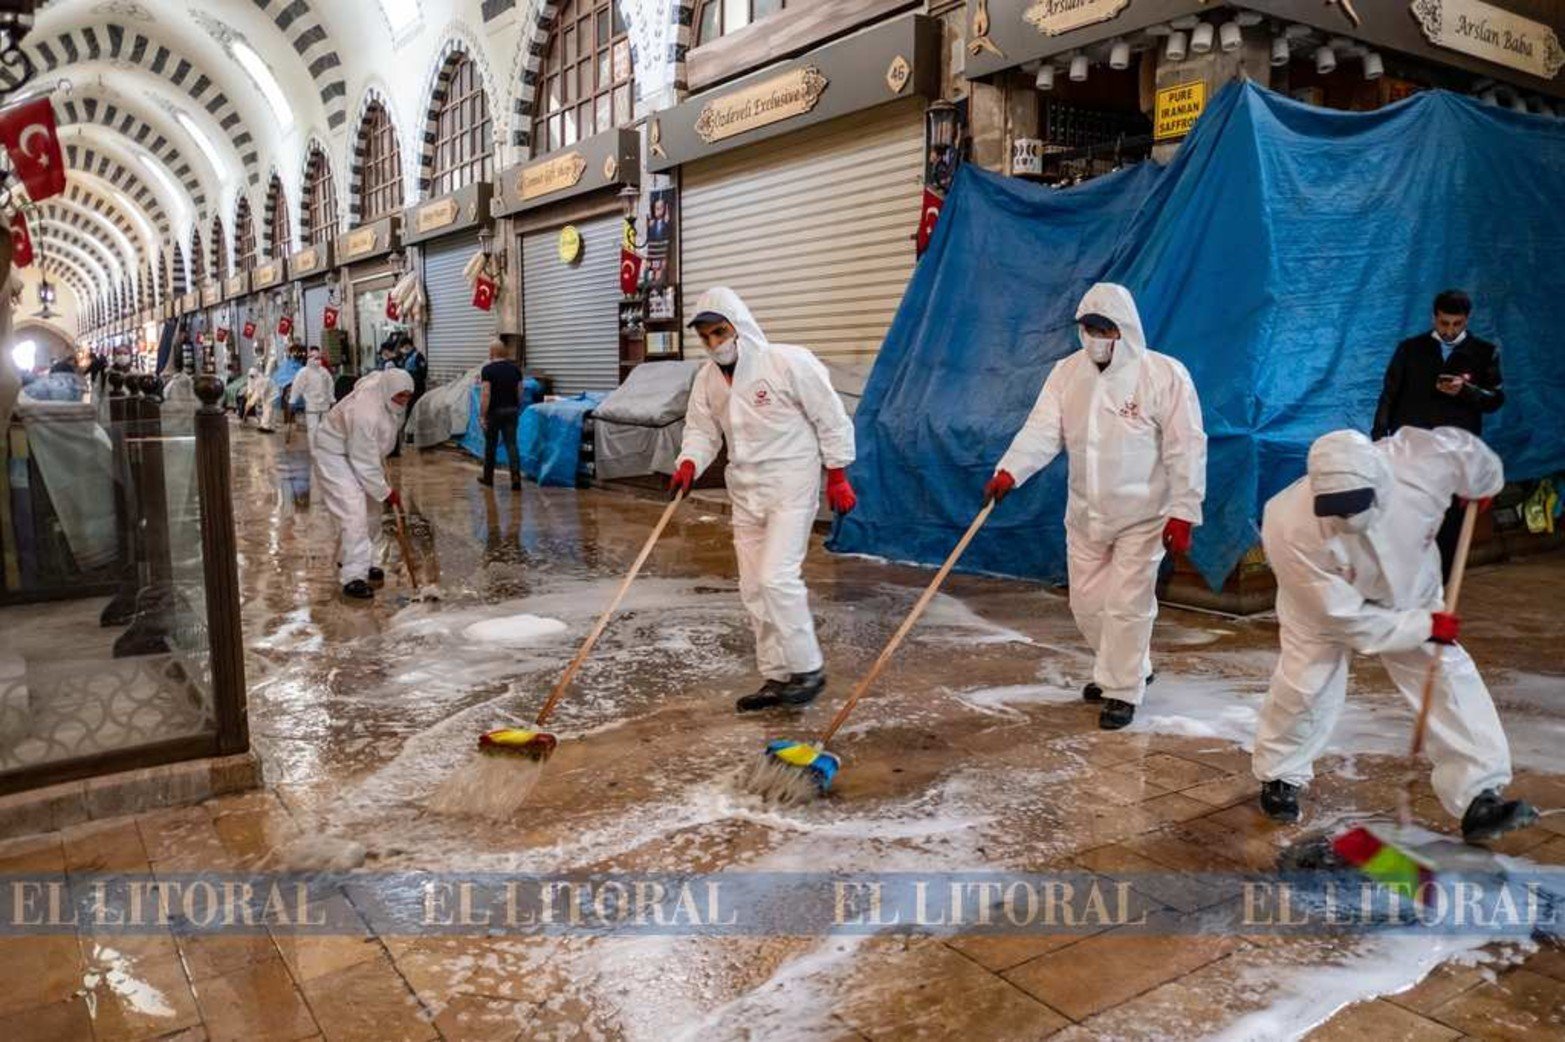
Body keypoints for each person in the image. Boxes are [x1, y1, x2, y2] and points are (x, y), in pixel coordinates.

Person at [1253, 426, 1536, 842]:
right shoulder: (1286, 521)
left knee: (1445, 678)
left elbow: (1467, 452)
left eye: (1355, 503)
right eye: (1337, 507)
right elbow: (1344, 618)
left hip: (1410, 593)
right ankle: (1280, 774)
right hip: (1323, 609)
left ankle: (1480, 794)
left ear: (1380, 476)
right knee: (1305, 685)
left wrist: (1483, 482)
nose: (1348, 516)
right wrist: (1425, 626)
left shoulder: (1417, 461)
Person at [984, 282, 1207, 730]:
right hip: (1085, 512)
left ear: (1124, 330)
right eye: (1087, 328)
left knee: (1128, 605)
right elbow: (1042, 430)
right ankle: (1128, 666)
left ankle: (1122, 690)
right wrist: (1011, 470)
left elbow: (1186, 446)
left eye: (1103, 328)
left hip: (1142, 514)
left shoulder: (1163, 375)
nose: (1094, 337)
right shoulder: (1068, 374)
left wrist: (1184, 508)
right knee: (1086, 605)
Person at [669, 287, 857, 711]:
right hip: (745, 490)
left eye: (721, 332)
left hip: (791, 482)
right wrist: (688, 464)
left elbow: (830, 417)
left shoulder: (788, 363)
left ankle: (808, 668)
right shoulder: (707, 379)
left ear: (740, 327)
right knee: (753, 586)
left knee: (777, 577)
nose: (716, 344)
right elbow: (701, 431)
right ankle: (776, 675)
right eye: (708, 338)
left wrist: (838, 474)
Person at [1372, 290, 1504, 581]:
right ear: (1434, 317)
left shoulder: (1484, 353)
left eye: (1456, 324)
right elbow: (1389, 395)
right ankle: (1404, 581)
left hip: (1454, 457)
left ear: (1466, 320)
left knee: (1449, 522)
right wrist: (1379, 438)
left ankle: (1441, 585)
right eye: (1444, 323)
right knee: (1407, 516)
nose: (1449, 330)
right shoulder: (1410, 349)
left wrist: (1466, 390)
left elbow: (1495, 399)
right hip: (1411, 452)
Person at [313, 368, 415, 599]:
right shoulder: (365, 413)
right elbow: (363, 459)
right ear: (388, 391)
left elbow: (369, 453)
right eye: (400, 396)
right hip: (334, 453)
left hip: (362, 452)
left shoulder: (384, 389)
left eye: (408, 395)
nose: (404, 400)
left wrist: (380, 491)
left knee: (372, 510)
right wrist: (386, 491)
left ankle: (363, 559)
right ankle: (353, 576)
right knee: (353, 510)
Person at [478, 339, 524, 490]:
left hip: (494, 412)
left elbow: (486, 394)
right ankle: (516, 477)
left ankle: (488, 478)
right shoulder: (515, 369)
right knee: (512, 444)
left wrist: (482, 415)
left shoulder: (487, 370)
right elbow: (520, 392)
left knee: (490, 445)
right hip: (511, 411)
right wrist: (516, 407)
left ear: (491, 353)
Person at [290, 348, 335, 449]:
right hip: (312, 405)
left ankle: (324, 449)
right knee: (313, 428)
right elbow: (297, 387)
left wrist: (332, 400)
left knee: (325, 429)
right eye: (315, 358)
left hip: (324, 405)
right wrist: (292, 400)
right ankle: (314, 450)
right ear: (309, 359)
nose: (317, 360)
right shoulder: (303, 373)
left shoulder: (324, 372)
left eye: (319, 358)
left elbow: (330, 387)